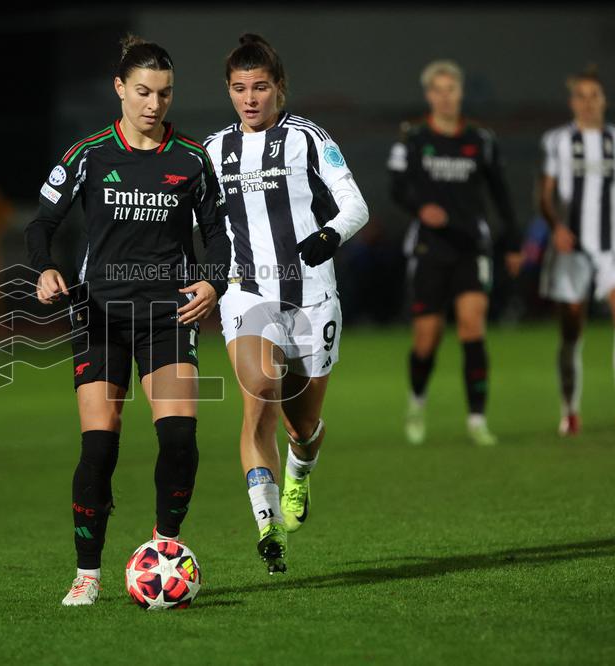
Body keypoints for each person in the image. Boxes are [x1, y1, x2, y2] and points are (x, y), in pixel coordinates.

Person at [25, 35, 231, 605]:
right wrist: (44, 270)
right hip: (101, 315)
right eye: (142, 91)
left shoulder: (191, 159)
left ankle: (165, 547)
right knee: (99, 449)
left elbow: (217, 233)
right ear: (120, 89)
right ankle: (86, 576)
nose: (153, 104)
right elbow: (39, 225)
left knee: (181, 438)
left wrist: (213, 280)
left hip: (167, 315)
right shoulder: (89, 153)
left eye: (164, 93)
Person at [204, 34, 369, 574]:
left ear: (279, 88)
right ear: (229, 92)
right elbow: (196, 223)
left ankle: (299, 473)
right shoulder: (212, 150)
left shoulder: (308, 138)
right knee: (260, 398)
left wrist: (329, 236)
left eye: (260, 87)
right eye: (239, 89)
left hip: (313, 297)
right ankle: (267, 524)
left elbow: (355, 205)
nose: (250, 98)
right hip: (246, 292)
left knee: (303, 426)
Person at [388, 59, 522, 447]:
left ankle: (477, 419)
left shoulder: (481, 139)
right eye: (438, 90)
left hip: (471, 245)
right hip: (430, 247)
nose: (446, 97)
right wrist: (420, 209)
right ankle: (417, 402)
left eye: (452, 89)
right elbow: (397, 187)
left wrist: (512, 241)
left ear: (460, 93)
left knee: (472, 326)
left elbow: (500, 192)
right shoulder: (413, 138)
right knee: (426, 339)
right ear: (429, 95)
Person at [538, 67, 615, 433]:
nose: (587, 102)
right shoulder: (558, 141)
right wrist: (556, 227)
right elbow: (546, 193)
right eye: (581, 96)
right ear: (572, 103)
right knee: (571, 331)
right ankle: (570, 410)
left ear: (604, 101)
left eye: (594, 95)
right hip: (573, 249)